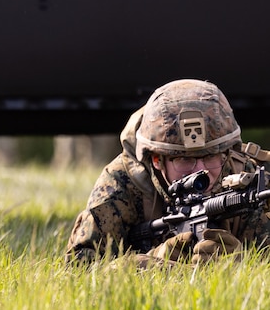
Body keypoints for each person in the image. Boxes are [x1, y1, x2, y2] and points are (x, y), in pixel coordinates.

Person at [66, 79, 267, 266]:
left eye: (209, 157)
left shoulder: (243, 182)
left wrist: (245, 262)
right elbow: (78, 268)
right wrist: (147, 263)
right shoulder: (123, 182)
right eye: (185, 159)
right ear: (157, 160)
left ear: (225, 154)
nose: (201, 172)